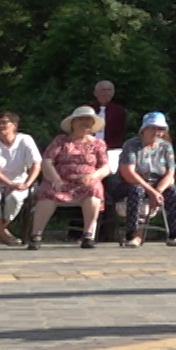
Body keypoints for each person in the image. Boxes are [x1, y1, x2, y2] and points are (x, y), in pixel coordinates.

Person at [29, 106, 112, 250]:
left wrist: (93, 176)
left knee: (94, 190)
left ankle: (88, 235)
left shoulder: (98, 144)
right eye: (81, 120)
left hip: (86, 181)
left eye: (88, 120)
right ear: (72, 123)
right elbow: (47, 160)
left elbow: (106, 167)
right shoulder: (61, 140)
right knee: (48, 192)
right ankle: (36, 235)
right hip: (61, 180)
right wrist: (55, 178)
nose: (85, 123)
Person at [117, 112, 176, 247]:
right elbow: (128, 173)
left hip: (157, 183)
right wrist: (152, 192)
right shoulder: (131, 145)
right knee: (137, 190)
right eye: (153, 128)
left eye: (161, 129)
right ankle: (132, 235)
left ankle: (174, 235)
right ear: (144, 129)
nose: (157, 132)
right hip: (132, 182)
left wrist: (158, 191)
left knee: (174, 191)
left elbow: (171, 172)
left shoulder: (166, 146)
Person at [0, 112, 40, 246]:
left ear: (14, 125)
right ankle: (5, 233)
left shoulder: (25, 140)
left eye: (5, 122)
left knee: (15, 199)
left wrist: (27, 183)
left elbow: (36, 163)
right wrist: (9, 184)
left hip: (20, 182)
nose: (1, 126)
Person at [91, 81, 129, 151]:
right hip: (89, 147)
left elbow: (120, 132)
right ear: (95, 93)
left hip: (111, 148)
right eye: (103, 90)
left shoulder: (119, 111)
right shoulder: (89, 110)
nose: (107, 93)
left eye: (109, 90)